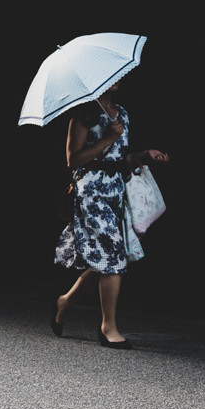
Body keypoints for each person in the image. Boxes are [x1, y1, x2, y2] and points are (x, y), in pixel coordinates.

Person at [50, 81, 169, 349]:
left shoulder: (122, 113)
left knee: (109, 258)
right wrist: (107, 138)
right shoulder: (84, 115)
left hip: (116, 191)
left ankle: (66, 301)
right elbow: (73, 160)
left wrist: (143, 154)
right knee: (114, 258)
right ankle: (108, 328)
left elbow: (119, 156)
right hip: (91, 193)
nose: (118, 79)